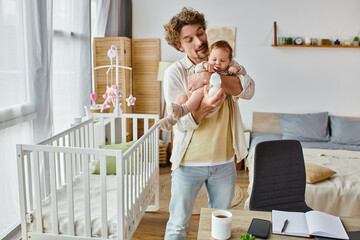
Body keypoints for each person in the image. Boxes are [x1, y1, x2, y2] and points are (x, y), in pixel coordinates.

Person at [162, 7, 255, 240]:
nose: (199, 41)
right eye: (189, 39)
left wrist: (210, 78)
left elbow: (249, 88)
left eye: (200, 33)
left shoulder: (223, 63)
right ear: (179, 46)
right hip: (188, 164)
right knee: (177, 225)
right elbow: (180, 125)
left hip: (224, 163)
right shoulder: (175, 73)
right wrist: (202, 109)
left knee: (221, 228)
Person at [156, 40, 247, 131]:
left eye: (222, 60)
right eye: (214, 59)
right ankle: (170, 120)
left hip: (208, 96)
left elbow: (243, 73)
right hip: (194, 95)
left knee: (198, 93)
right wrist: (205, 65)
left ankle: (183, 109)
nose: (218, 63)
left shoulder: (228, 70)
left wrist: (237, 68)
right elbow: (198, 68)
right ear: (208, 58)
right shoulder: (206, 65)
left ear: (229, 61)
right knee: (182, 98)